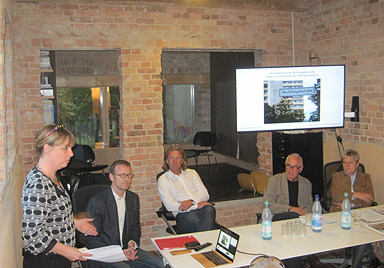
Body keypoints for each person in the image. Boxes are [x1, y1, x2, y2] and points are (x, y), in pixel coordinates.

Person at [21, 124, 97, 268]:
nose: (71, 154)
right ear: (47, 148)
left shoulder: (52, 177)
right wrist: (67, 250)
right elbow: (32, 236)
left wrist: (73, 222)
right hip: (45, 262)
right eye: (65, 148)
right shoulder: (39, 184)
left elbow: (50, 214)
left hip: (56, 259)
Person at [85, 160, 164, 268]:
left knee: (160, 263)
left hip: (127, 250)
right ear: (111, 177)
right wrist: (118, 253)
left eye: (129, 175)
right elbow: (91, 240)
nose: (126, 179)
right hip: (105, 253)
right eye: (122, 175)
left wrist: (132, 243)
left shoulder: (133, 198)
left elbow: (135, 227)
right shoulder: (98, 202)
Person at [157, 145, 217, 232]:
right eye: (171, 158)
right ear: (166, 161)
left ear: (182, 161)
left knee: (209, 209)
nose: (174, 161)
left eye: (178, 158)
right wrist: (196, 205)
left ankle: (203, 242)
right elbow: (169, 205)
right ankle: (207, 238)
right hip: (183, 214)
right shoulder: (163, 179)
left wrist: (191, 202)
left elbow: (205, 194)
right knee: (206, 224)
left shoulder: (192, 173)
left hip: (201, 210)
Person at [263, 153, 313, 221]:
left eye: (294, 167)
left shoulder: (306, 183)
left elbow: (310, 206)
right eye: (288, 166)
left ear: (300, 169)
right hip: (278, 217)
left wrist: (304, 213)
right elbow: (267, 204)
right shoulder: (274, 181)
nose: (290, 170)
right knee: (293, 214)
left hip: (300, 219)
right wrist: (291, 209)